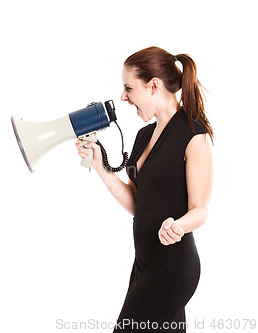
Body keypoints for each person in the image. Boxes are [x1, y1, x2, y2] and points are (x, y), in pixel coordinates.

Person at [76, 47, 214, 332]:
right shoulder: (143, 136)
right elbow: (138, 203)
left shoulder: (193, 136)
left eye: (128, 88)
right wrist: (100, 167)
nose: (123, 97)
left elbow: (200, 211)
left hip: (172, 269)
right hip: (145, 265)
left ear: (153, 86)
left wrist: (178, 225)